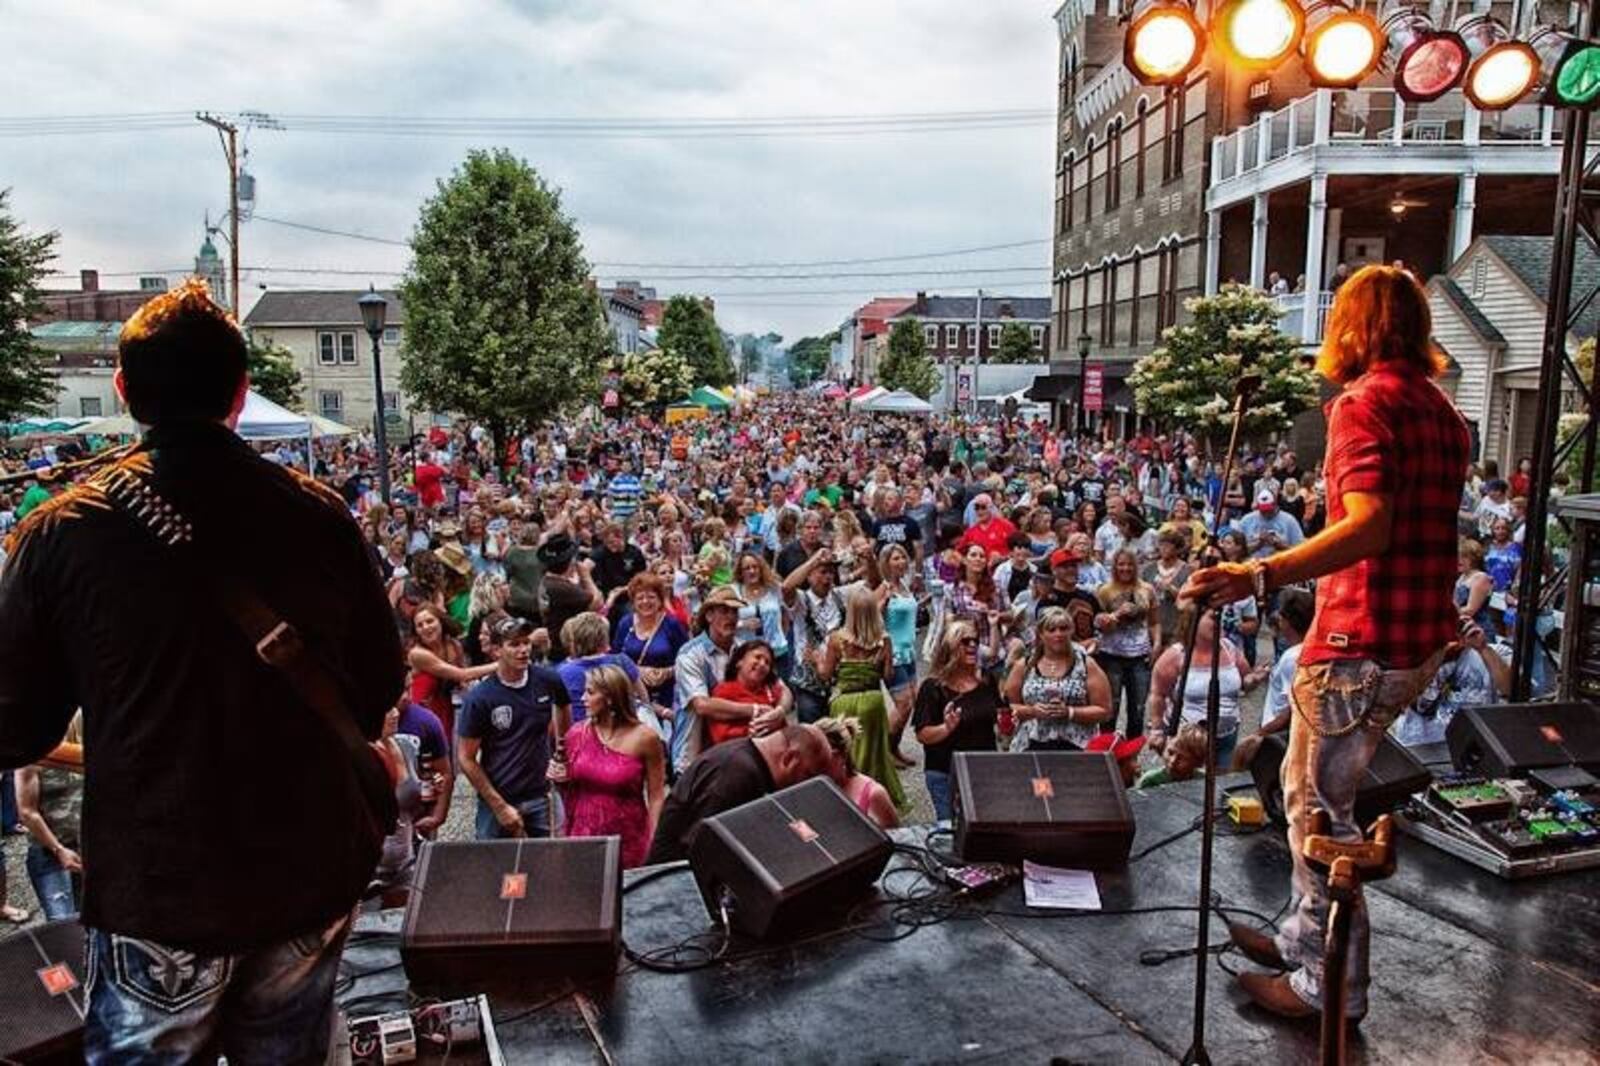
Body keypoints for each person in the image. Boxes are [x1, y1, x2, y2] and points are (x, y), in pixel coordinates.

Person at [0, 280, 403, 1063]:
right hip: (306, 868)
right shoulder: (318, 515)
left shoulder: (62, 535)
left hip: (164, 887)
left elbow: (14, 725)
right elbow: (378, 683)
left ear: (123, 390)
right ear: (240, 391)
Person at [1183, 264, 1471, 1024]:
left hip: (1359, 638)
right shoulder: (1443, 411)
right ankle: (1297, 936)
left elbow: (1370, 525)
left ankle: (1328, 990)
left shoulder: (1362, 404)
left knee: (1319, 815)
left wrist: (1259, 571)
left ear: (1351, 326)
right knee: (1308, 793)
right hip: (1416, 639)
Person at [645, 724, 833, 864]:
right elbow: (700, 848)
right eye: (807, 774)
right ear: (790, 759)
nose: (805, 785)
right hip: (673, 888)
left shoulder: (748, 763)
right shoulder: (735, 774)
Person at [457, 616, 570, 840]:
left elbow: (564, 709)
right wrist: (499, 806)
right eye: (514, 644)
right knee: (496, 869)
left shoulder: (547, 680)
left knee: (552, 866)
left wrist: (561, 753)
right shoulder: (481, 698)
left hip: (542, 795)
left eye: (526, 642)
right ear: (497, 650)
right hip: (499, 797)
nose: (523, 650)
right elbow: (466, 758)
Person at [552, 664, 666, 869]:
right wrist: (558, 777)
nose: (583, 699)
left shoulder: (645, 738)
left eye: (590, 692)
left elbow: (656, 794)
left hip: (628, 835)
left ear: (610, 697)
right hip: (583, 835)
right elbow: (567, 788)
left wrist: (656, 838)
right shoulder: (577, 734)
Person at [819, 584, 907, 812]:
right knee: (876, 753)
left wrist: (814, 660)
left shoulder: (837, 639)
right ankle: (875, 799)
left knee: (848, 752)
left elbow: (825, 674)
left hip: (844, 701)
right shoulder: (883, 639)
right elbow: (888, 674)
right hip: (873, 701)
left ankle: (849, 799)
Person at [1145, 612, 1261, 770]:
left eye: (1222, 618)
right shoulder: (1176, 655)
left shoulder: (1229, 648)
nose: (1219, 622)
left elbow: (1246, 678)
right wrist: (1157, 731)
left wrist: (1253, 679)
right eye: (1213, 618)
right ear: (1193, 620)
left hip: (1226, 735)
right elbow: (1158, 694)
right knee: (1188, 787)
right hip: (1188, 741)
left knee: (1221, 786)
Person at [914, 621, 1004, 821]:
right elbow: (923, 735)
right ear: (950, 647)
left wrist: (1008, 724)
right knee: (949, 831)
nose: (973, 645)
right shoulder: (933, 687)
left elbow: (999, 717)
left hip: (982, 769)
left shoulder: (987, 681)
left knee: (983, 827)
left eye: (976, 641)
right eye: (965, 641)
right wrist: (946, 728)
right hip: (945, 772)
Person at [1003, 607, 1112, 751]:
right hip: (1031, 743)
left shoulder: (1086, 665)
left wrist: (1070, 712)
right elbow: (1006, 708)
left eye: (1063, 628)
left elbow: (1104, 711)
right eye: (1051, 629)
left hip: (1077, 745)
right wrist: (1032, 711)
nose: (1058, 634)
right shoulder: (1025, 665)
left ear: (1071, 631)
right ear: (1041, 634)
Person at [670, 587, 754, 774]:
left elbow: (780, 689)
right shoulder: (690, 654)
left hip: (737, 752)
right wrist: (753, 709)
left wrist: (779, 710)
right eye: (724, 611)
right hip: (694, 758)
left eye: (734, 611)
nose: (731, 617)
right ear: (709, 616)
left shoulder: (744, 649)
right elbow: (702, 705)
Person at [1392, 618, 1512, 747]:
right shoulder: (1416, 656)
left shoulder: (1496, 652)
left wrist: (1482, 648)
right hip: (1422, 743)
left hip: (1476, 744)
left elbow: (1510, 689)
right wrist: (1438, 656)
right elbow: (1416, 705)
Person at [14, 713, 84, 919]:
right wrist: (58, 849)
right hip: (50, 852)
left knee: (93, 921)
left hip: (84, 845)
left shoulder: (82, 748)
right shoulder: (33, 756)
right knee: (62, 923)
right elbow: (27, 812)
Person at [407, 602, 496, 742]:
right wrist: (501, 664)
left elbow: (463, 682)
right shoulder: (418, 654)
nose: (426, 627)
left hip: (448, 710)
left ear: (441, 621)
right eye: (420, 625)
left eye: (430, 621)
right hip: (423, 713)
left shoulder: (454, 645)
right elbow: (462, 674)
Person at [613, 571, 690, 727]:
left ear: (660, 600)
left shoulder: (672, 625)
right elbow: (614, 658)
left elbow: (688, 659)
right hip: (632, 699)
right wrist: (637, 671)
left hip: (667, 696)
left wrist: (667, 672)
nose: (645, 602)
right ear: (633, 602)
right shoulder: (625, 623)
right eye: (640, 598)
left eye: (651, 597)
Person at [1093, 548, 1157, 737]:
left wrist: (1157, 644)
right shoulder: (1105, 590)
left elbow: (1155, 621)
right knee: (1110, 707)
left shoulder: (1147, 589)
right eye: (1121, 564)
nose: (1125, 568)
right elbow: (1099, 624)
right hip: (1111, 654)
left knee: (1138, 709)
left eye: (1129, 564)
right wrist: (1116, 614)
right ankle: (1107, 752)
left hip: (1140, 654)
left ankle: (1132, 756)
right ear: (1114, 566)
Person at [816, 717, 899, 830]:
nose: (815, 767)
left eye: (822, 760)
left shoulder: (874, 794)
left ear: (842, 756)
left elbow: (895, 838)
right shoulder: (812, 786)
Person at [708, 640, 792, 747]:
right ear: (739, 662)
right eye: (757, 657)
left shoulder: (770, 690)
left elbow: (786, 693)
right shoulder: (724, 691)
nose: (762, 664)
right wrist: (750, 733)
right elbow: (721, 737)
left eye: (767, 663)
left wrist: (780, 712)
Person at [541, 532, 604, 661]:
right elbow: (597, 603)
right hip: (567, 650)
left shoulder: (547, 580)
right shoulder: (562, 588)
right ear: (570, 562)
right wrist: (586, 575)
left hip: (557, 643)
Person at [1455, 538, 1495, 633]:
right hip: (1462, 628)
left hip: (1478, 629)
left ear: (1474, 558)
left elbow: (1470, 610)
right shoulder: (1462, 577)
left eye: (1464, 557)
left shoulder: (1481, 577)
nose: (1459, 560)